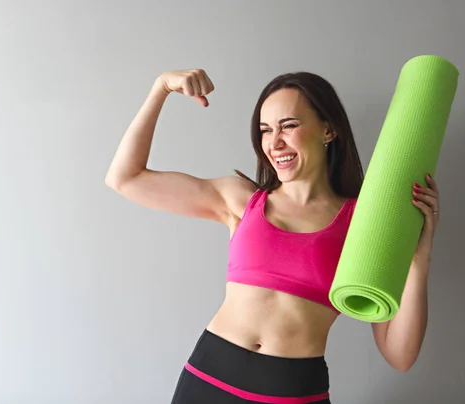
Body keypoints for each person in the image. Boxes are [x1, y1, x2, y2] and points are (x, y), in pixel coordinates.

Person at [105, 69, 440, 403]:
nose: (274, 142)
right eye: (265, 130)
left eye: (289, 126)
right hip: (208, 382)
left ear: (328, 129)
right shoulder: (241, 201)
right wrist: (161, 87)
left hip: (293, 394)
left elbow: (400, 355)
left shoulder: (363, 226)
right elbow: (125, 178)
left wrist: (418, 262)